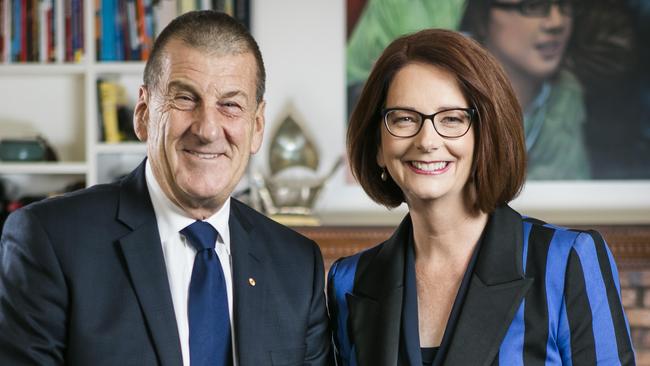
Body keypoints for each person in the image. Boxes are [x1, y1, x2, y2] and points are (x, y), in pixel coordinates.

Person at [0, 11, 331, 366]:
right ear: (143, 113)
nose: (207, 129)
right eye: (185, 98)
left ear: (258, 126)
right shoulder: (51, 240)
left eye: (230, 105)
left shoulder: (296, 264)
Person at [328, 29, 635, 365]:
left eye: (452, 119)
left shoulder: (565, 261)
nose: (427, 140)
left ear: (485, 136)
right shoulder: (350, 281)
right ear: (377, 146)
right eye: (404, 119)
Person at [347, 0, 590, 179]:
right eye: (531, 6)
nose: (556, 23)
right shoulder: (408, 20)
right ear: (483, 14)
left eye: (566, 6)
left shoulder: (564, 97)